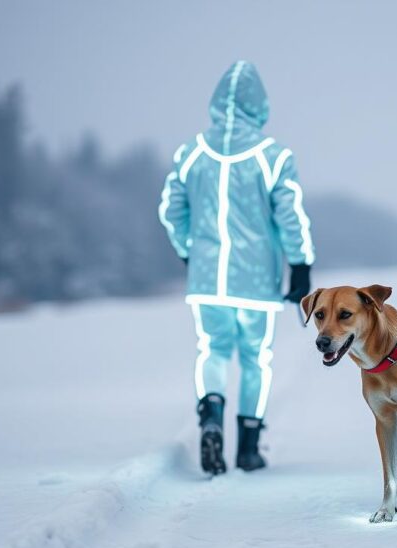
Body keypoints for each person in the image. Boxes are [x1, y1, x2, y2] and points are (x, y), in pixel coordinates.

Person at [159, 61, 314, 475]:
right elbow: (290, 217)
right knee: (255, 359)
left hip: (207, 280)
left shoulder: (191, 153)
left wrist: (188, 252)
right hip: (257, 284)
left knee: (211, 350)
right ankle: (247, 447)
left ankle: (210, 418)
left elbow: (171, 211)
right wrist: (301, 265)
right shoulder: (274, 157)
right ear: (259, 105)